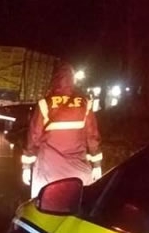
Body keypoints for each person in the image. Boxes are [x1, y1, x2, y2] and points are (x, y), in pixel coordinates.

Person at [21, 61, 103, 199]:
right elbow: (93, 137)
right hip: (78, 173)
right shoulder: (84, 104)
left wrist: (26, 167)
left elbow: (33, 138)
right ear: (73, 80)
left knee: (45, 210)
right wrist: (97, 165)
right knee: (77, 211)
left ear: (54, 80)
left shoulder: (44, 104)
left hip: (49, 172)